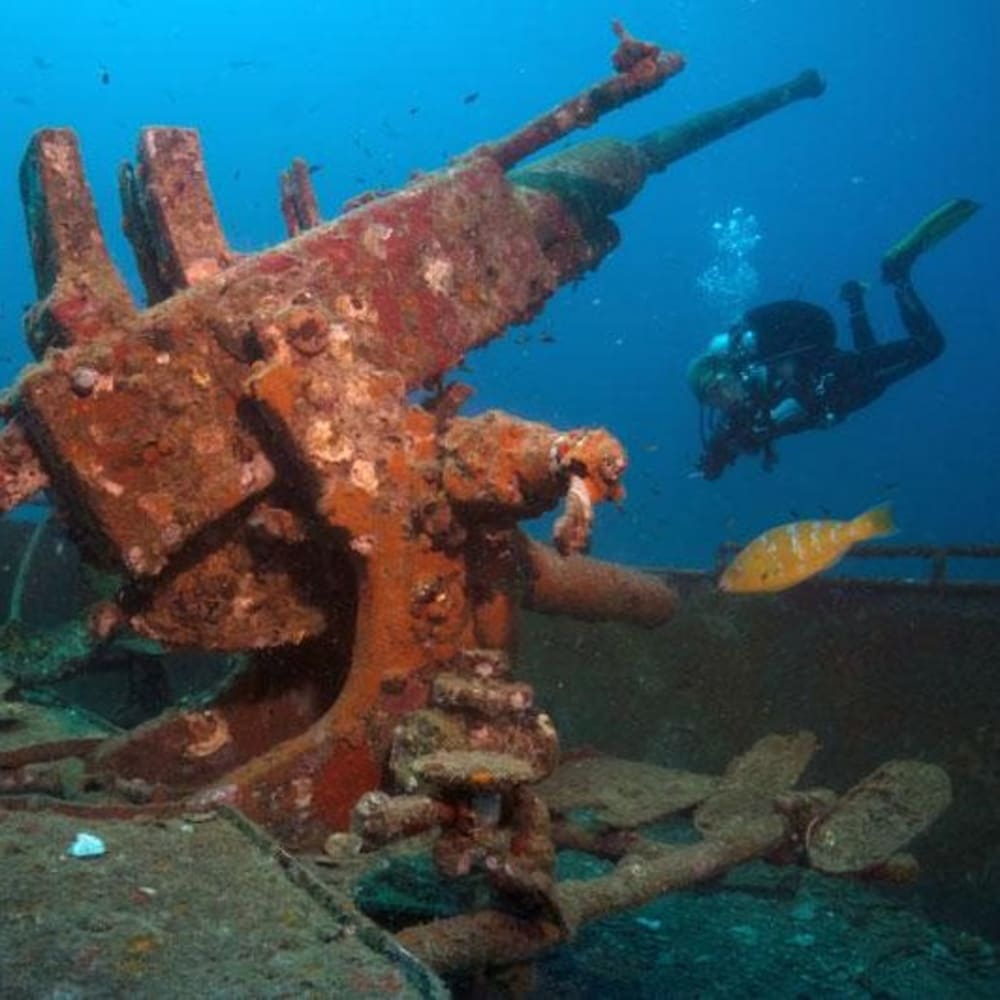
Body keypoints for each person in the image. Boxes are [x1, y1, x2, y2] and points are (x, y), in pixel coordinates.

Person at [688, 197, 980, 480]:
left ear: (731, 371)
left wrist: (774, 419)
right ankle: (855, 298)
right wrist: (713, 464)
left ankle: (898, 274)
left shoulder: (764, 373)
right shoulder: (737, 415)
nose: (724, 398)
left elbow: (798, 397)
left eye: (721, 387)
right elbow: (721, 444)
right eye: (713, 399)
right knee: (871, 358)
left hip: (845, 379)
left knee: (930, 347)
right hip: (848, 392)